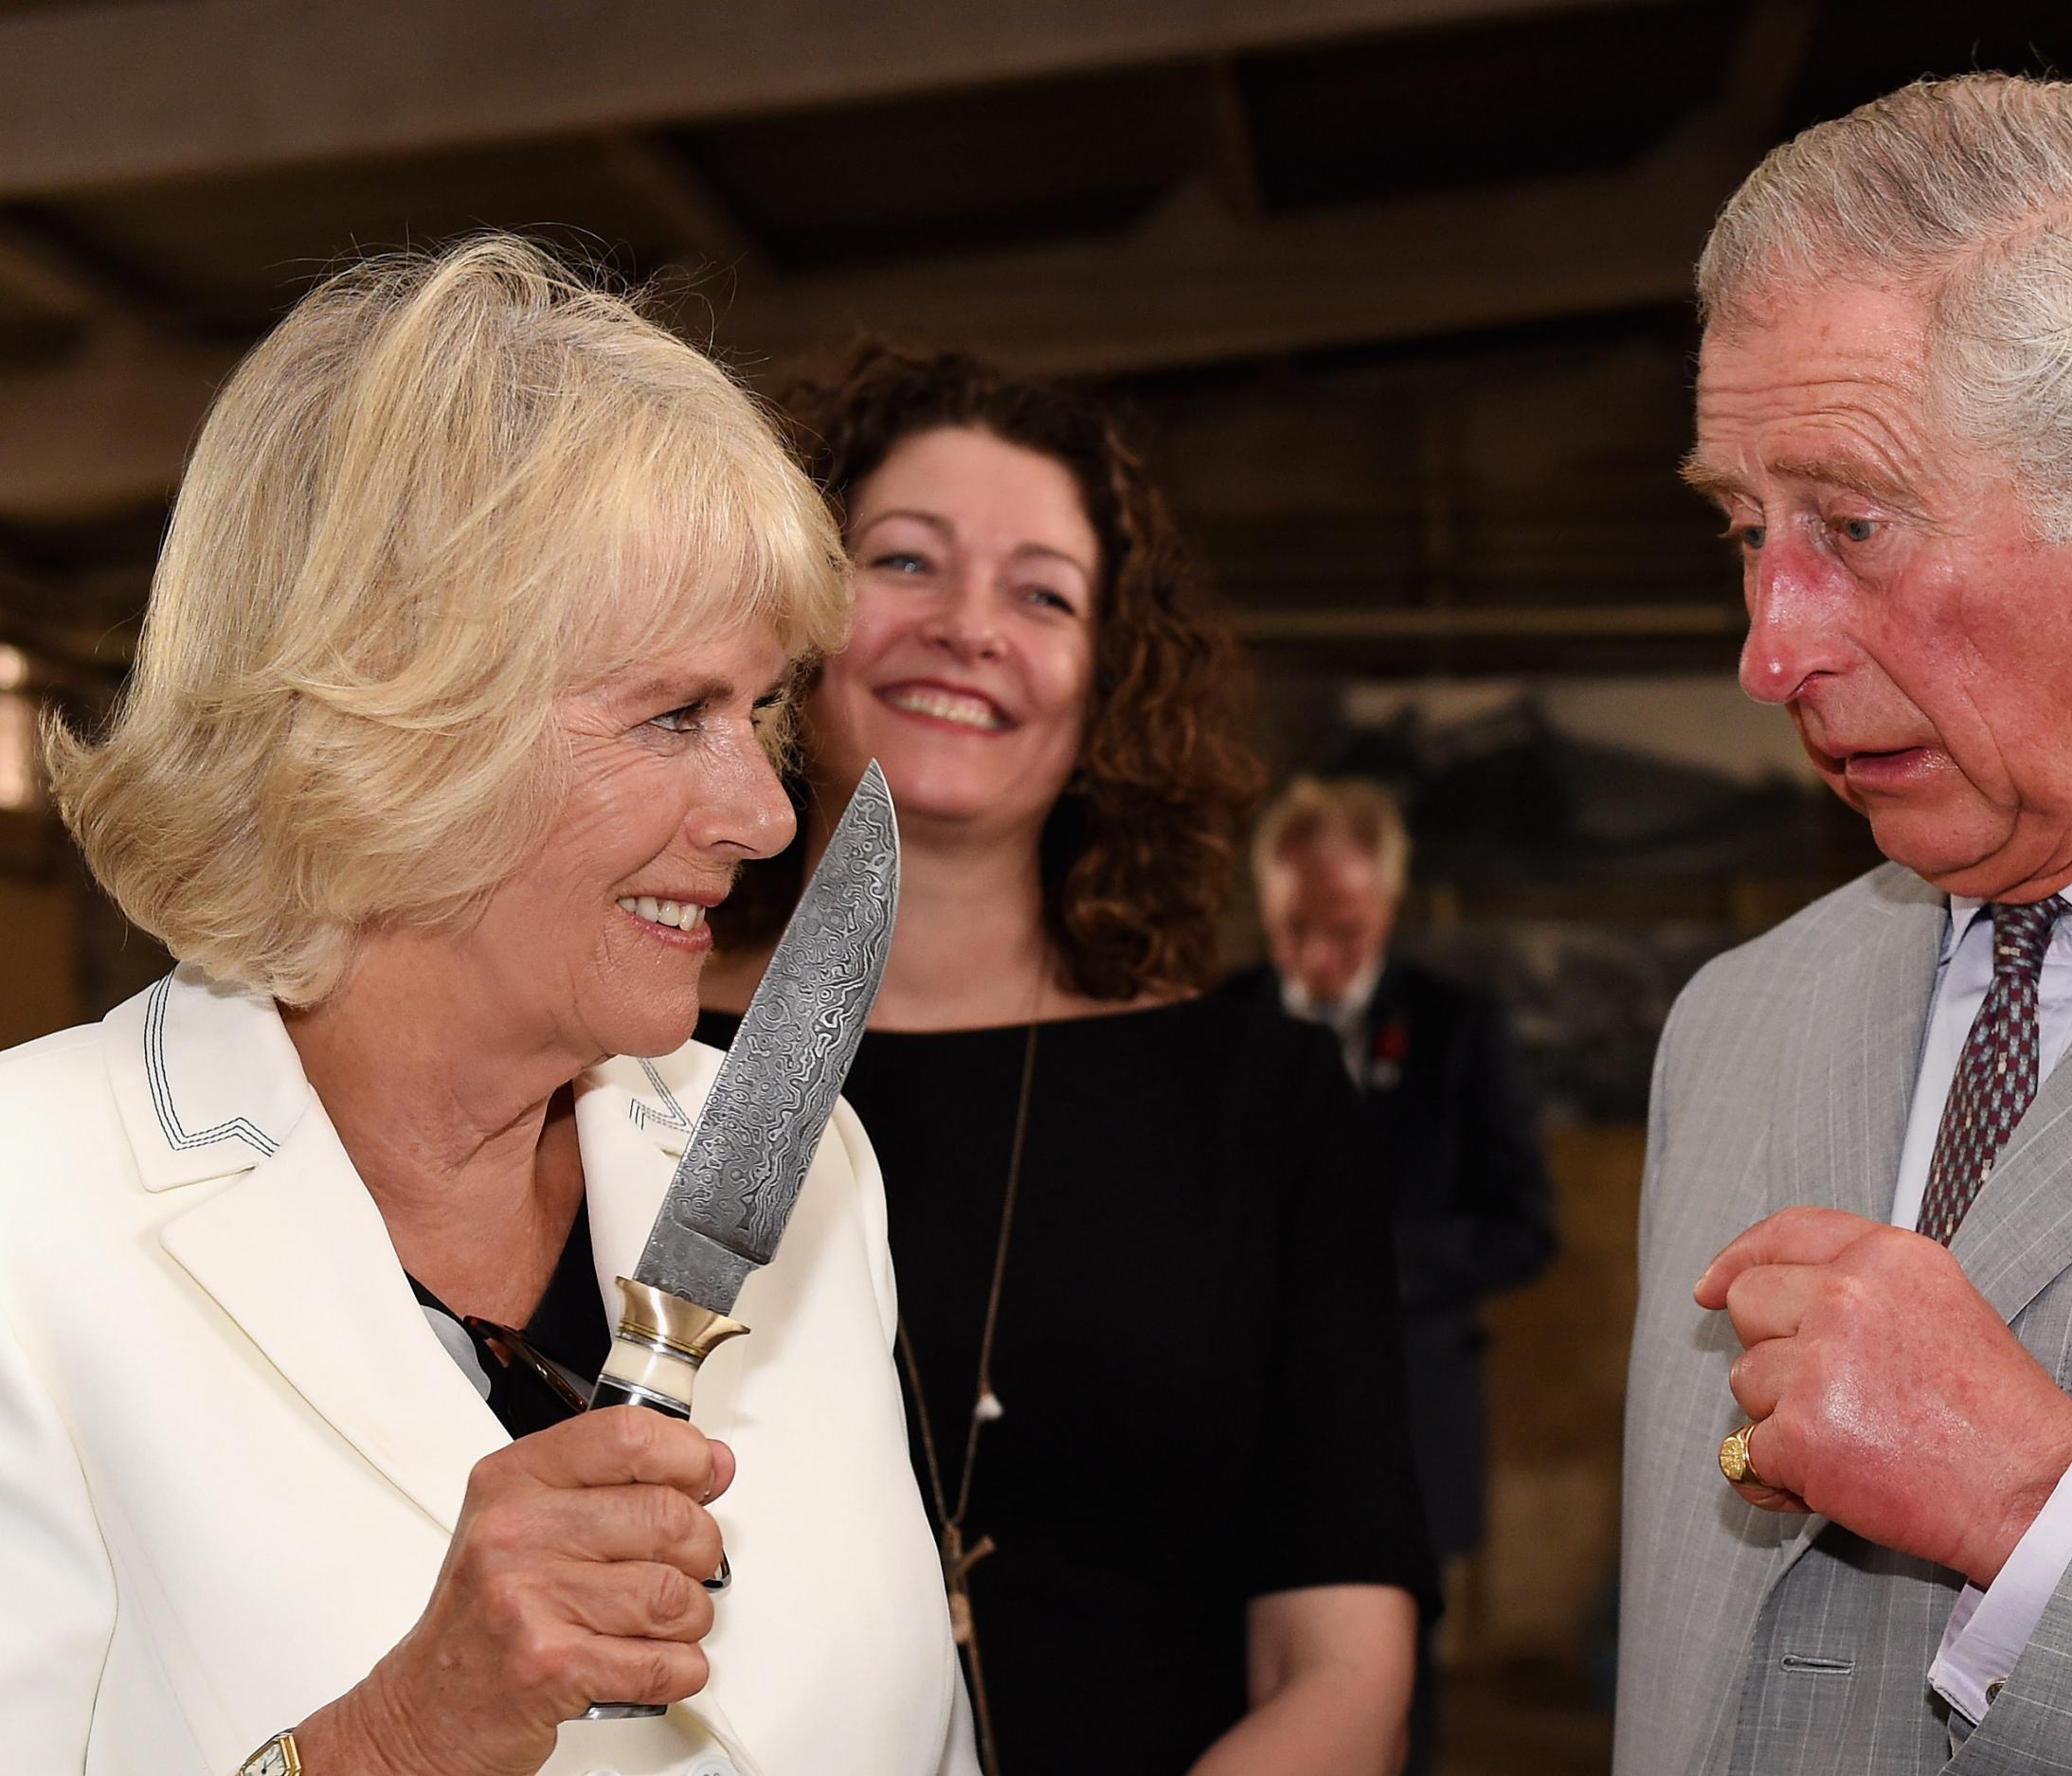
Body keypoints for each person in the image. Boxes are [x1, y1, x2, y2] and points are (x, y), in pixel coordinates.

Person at [0, 239, 976, 1776]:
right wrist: (395, 1740)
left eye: (763, 710)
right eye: (676, 714)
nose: (770, 815)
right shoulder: (25, 1221)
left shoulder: (800, 1161)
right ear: (398, 726)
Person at [1621, 73, 2072, 1774]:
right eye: (1747, 530)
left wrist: (2045, 1510)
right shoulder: (1742, 1019)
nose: (1768, 649)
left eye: (1852, 526)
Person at [698, 341, 1433, 1776]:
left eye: (1043, 592)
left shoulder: (1258, 1103)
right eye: (905, 562)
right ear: (791, 617)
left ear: (1110, 687)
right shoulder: (625, 1056)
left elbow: (1344, 1661)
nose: (971, 626)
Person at [1223, 776, 1556, 1775]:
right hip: (1239, 1413)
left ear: (1388, 907)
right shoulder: (1216, 1020)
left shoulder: (1457, 1030)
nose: (1319, 959)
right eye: (1295, 930)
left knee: (1389, 1679)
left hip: (1411, 1410)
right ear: (1264, 904)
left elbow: (1524, 1228)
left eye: (1346, 929)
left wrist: (1363, 1266)